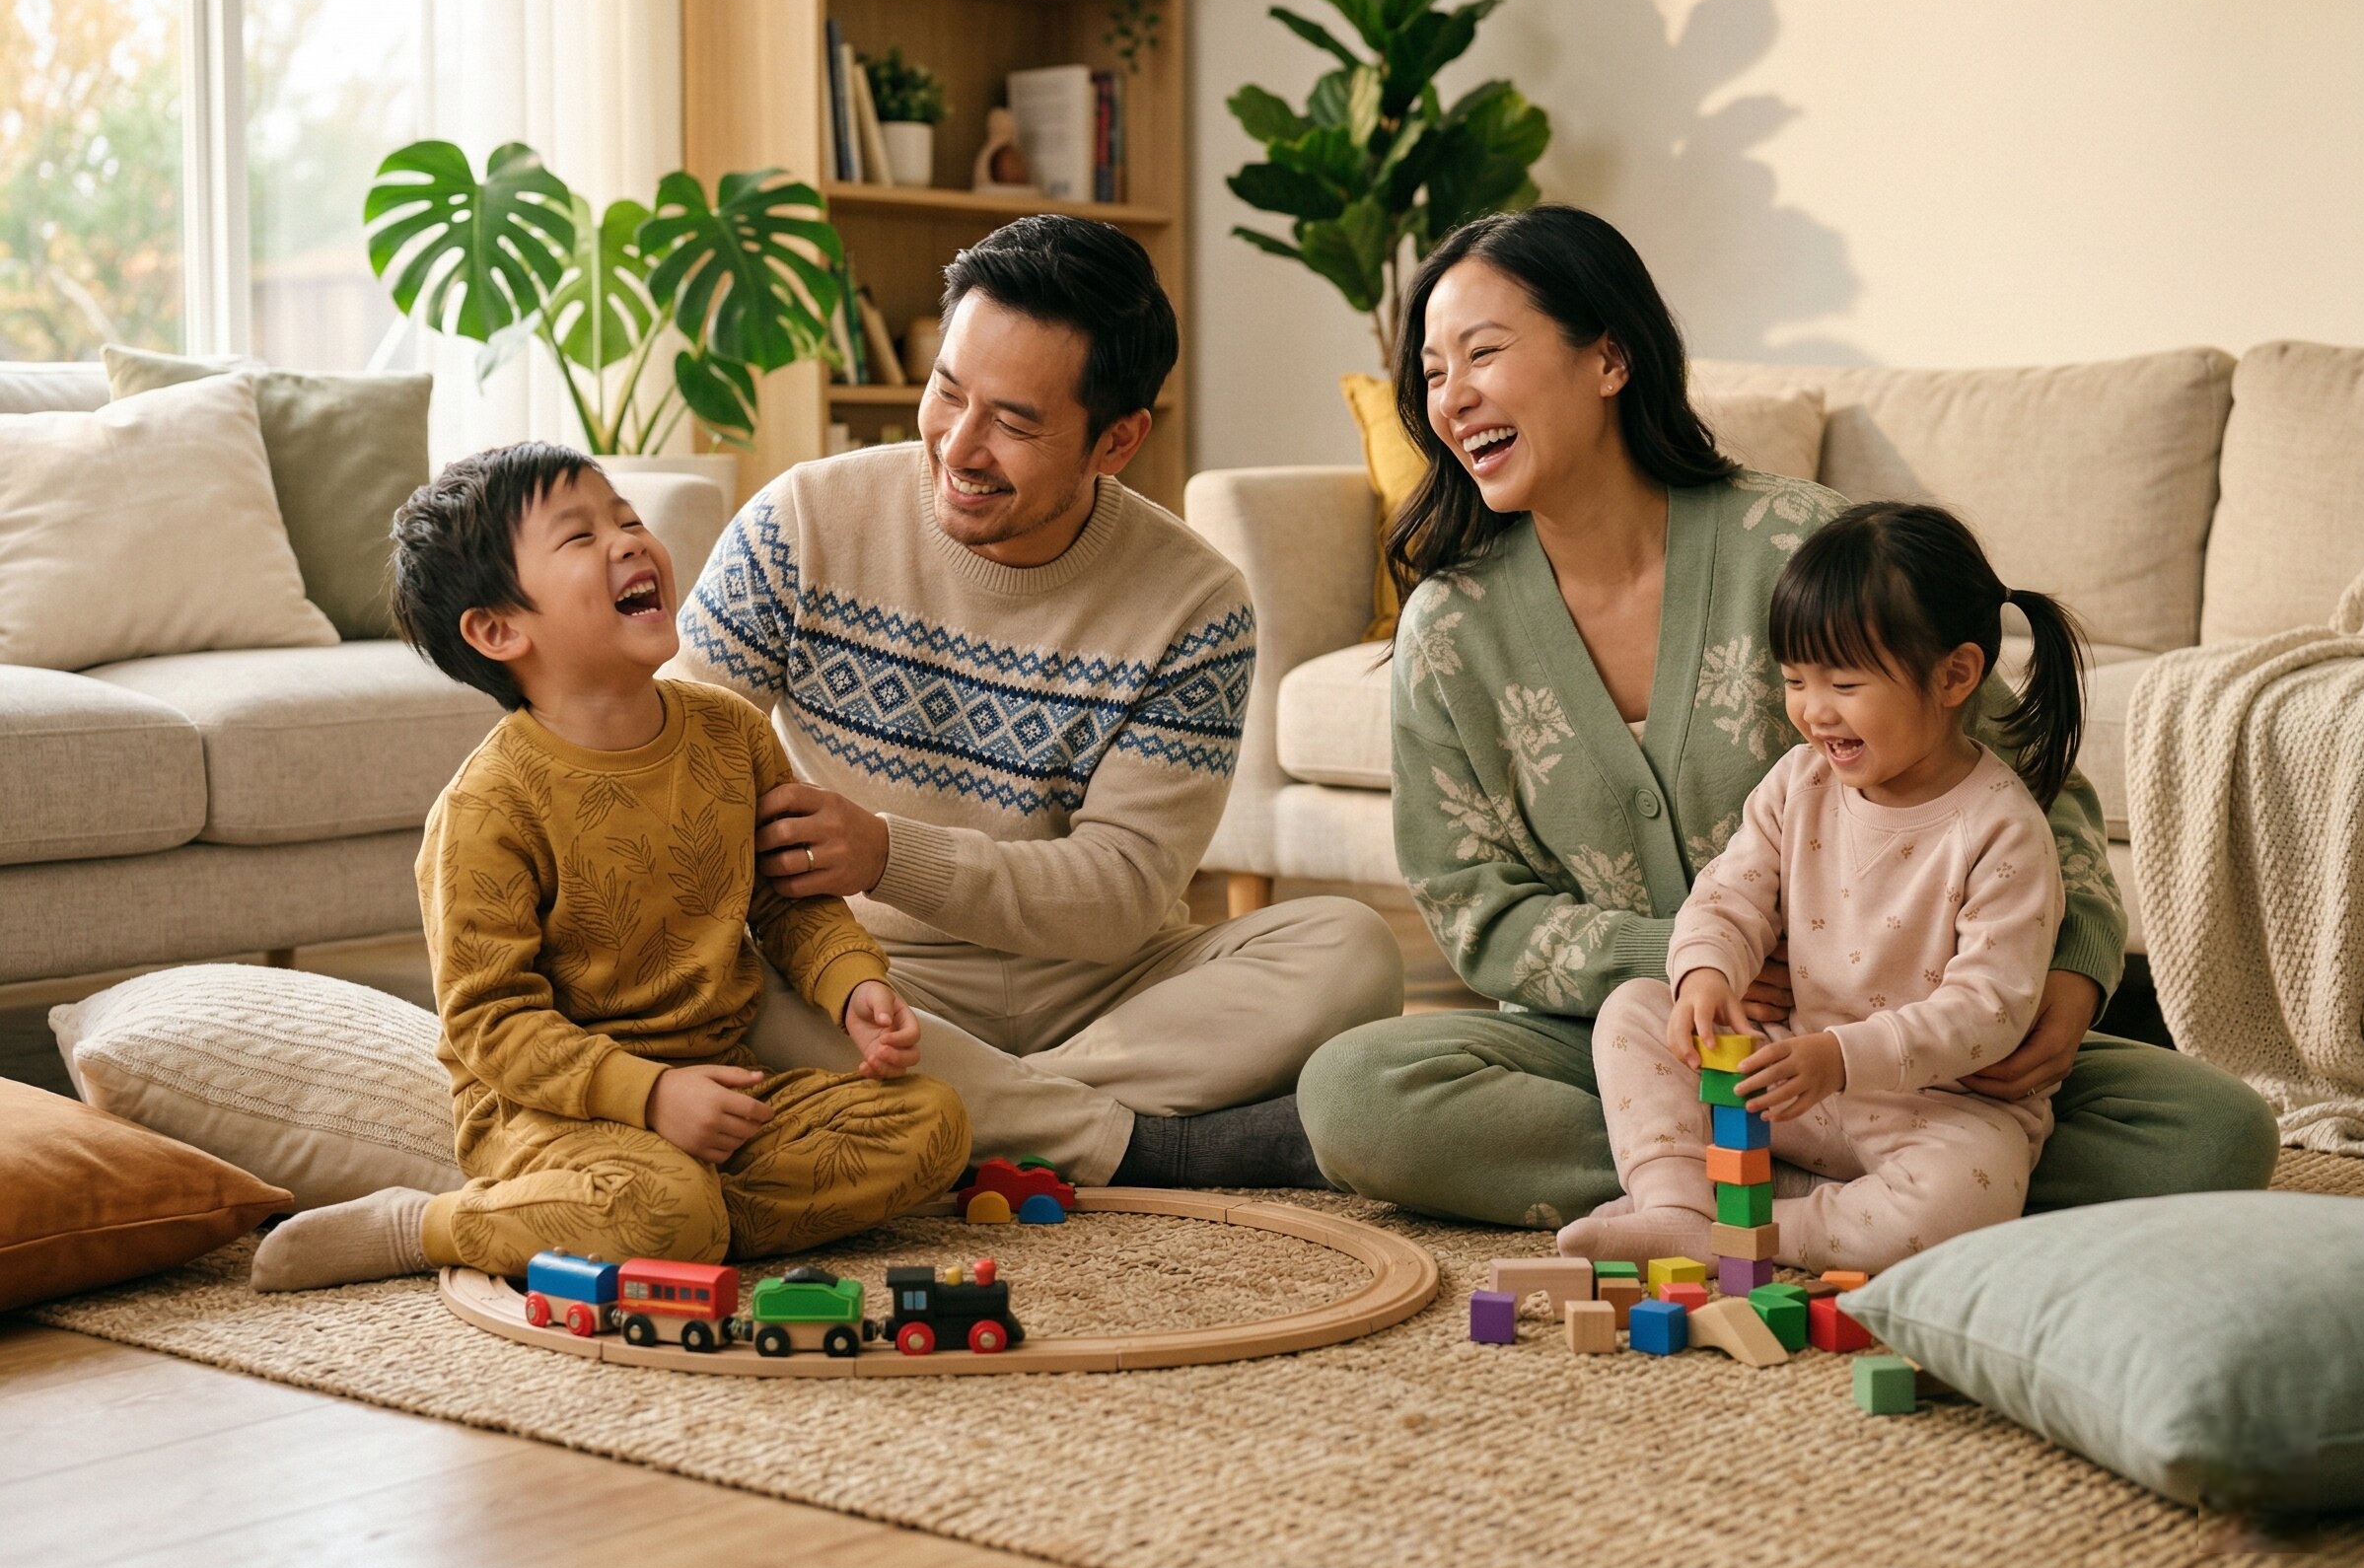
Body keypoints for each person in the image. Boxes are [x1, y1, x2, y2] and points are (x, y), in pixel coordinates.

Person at [1295, 203, 2279, 1228]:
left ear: (1610, 359)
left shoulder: (1798, 543)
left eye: (1481, 354)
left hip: (1906, 1050)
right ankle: (1813, 1190)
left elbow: (2023, 775)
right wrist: (1692, 960)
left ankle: (1755, 1190)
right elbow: (1475, 910)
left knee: (2214, 1132)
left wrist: (2075, 971)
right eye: (1433, 373)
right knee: (1358, 1094)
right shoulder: (1452, 628)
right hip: (1627, 1040)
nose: (1451, 399)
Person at [670, 215, 1402, 1188]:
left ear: (1119, 439)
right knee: (713, 974)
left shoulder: (1196, 603)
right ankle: (1139, 1145)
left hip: (1106, 986)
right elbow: (668, 763)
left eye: (1014, 422)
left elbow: (1120, 896)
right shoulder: (799, 524)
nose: (959, 447)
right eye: (946, 392)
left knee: (1351, 951)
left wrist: (886, 850)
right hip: (866, 984)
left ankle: (962, 1119)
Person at [251, 445, 968, 1291]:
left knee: (934, 1124)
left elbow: (789, 902)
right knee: (667, 1207)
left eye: (626, 517)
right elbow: (492, 1026)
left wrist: (853, 985)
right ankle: (435, 1224)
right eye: (580, 536)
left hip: (717, 1094)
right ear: (497, 629)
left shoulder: (732, 733)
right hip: (550, 1114)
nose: (629, 540)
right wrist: (650, 1096)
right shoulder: (487, 809)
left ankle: (669, 1225)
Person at [1558, 502, 2083, 1271]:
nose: (1813, 710)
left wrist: (1842, 1059)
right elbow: (1729, 892)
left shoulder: (2002, 828)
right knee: (1636, 1008)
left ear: (1955, 676)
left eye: (1842, 682)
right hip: (1785, 1071)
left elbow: (1988, 1010)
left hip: (1934, 1106)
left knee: (1967, 1198)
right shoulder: (1798, 783)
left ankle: (1746, 1236)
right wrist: (1705, 971)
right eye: (1795, 681)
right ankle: (1672, 1201)